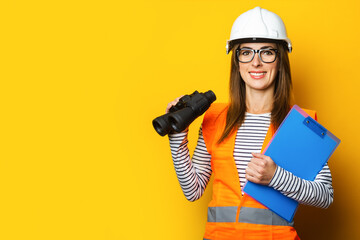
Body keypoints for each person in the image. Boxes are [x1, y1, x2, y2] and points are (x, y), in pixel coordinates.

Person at [167, 7, 333, 240]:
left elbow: (325, 195)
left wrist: (276, 177)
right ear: (236, 60)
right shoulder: (215, 117)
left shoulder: (300, 124)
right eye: (246, 52)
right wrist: (177, 137)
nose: (256, 62)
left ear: (280, 59)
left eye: (267, 52)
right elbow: (193, 190)